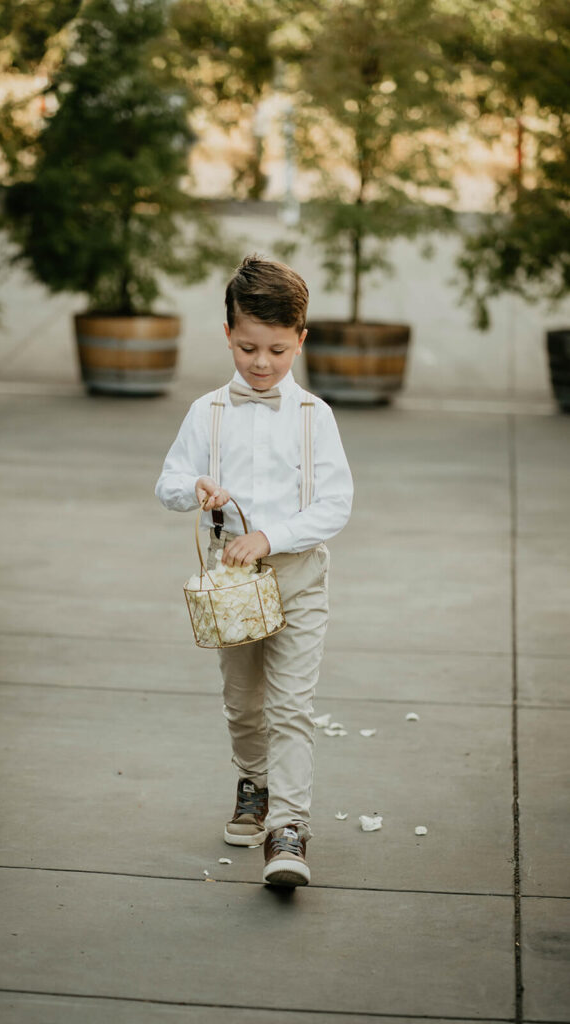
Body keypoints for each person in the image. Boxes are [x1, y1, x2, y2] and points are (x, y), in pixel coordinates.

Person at [155, 255, 353, 887]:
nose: (260, 363)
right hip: (233, 583)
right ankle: (254, 781)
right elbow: (167, 483)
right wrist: (197, 488)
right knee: (243, 702)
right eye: (247, 348)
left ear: (300, 338)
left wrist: (272, 535)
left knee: (292, 705)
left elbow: (335, 504)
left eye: (275, 348)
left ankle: (288, 827)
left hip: (297, 574)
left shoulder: (311, 416)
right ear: (227, 335)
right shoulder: (207, 412)